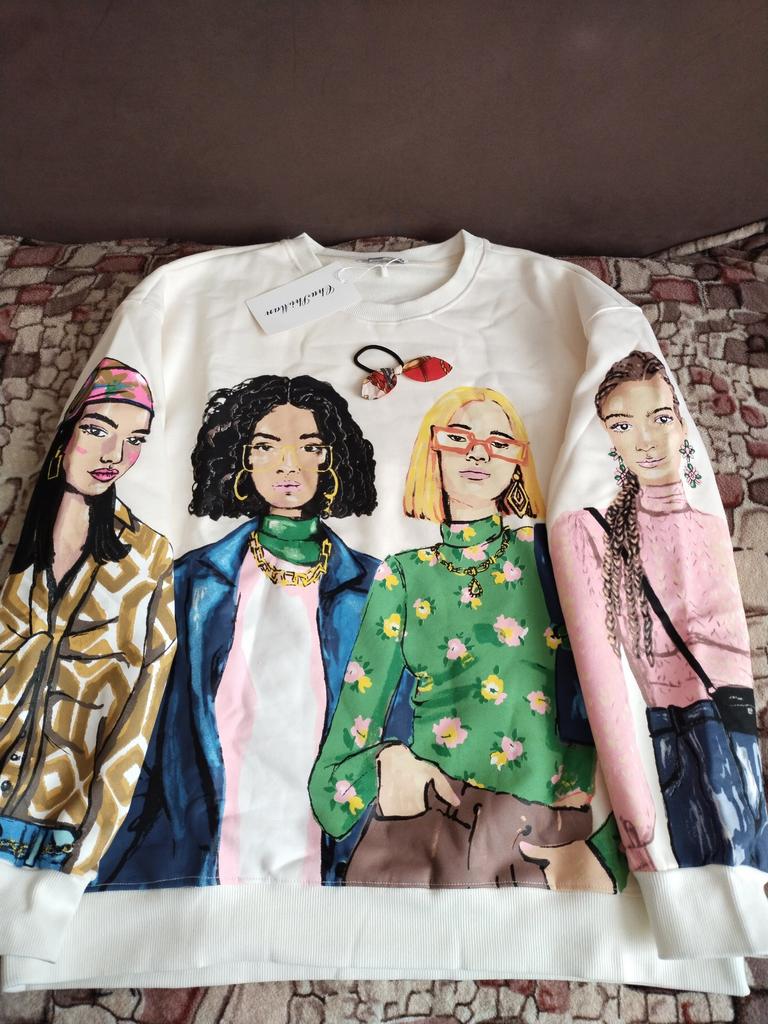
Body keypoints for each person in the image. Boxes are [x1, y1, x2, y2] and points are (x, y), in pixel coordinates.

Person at [95, 374, 408, 888]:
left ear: (333, 461)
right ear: (240, 459)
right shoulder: (192, 580)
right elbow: (151, 726)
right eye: (266, 446)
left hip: (341, 848)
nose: (287, 464)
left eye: (309, 447)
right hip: (202, 847)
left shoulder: (379, 587)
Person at [309, 385, 626, 891]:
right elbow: (333, 780)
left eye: (500, 443)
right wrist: (387, 763)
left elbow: (631, 697)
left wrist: (605, 850)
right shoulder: (404, 576)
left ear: (519, 461)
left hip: (554, 837)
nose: (479, 453)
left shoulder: (553, 551)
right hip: (429, 832)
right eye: (458, 438)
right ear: (431, 451)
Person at [550, 350, 768, 871]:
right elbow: (603, 664)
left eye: (660, 418)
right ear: (609, 437)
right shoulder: (590, 529)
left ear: (682, 425)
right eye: (623, 425)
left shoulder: (710, 527)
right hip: (674, 729)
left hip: (737, 724)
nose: (644, 440)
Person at [0, 357, 174, 878]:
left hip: (53, 829)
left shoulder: (148, 557)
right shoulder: (15, 522)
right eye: (98, 430)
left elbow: (140, 712)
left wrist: (91, 845)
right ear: (66, 430)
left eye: (135, 440)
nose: (115, 455)